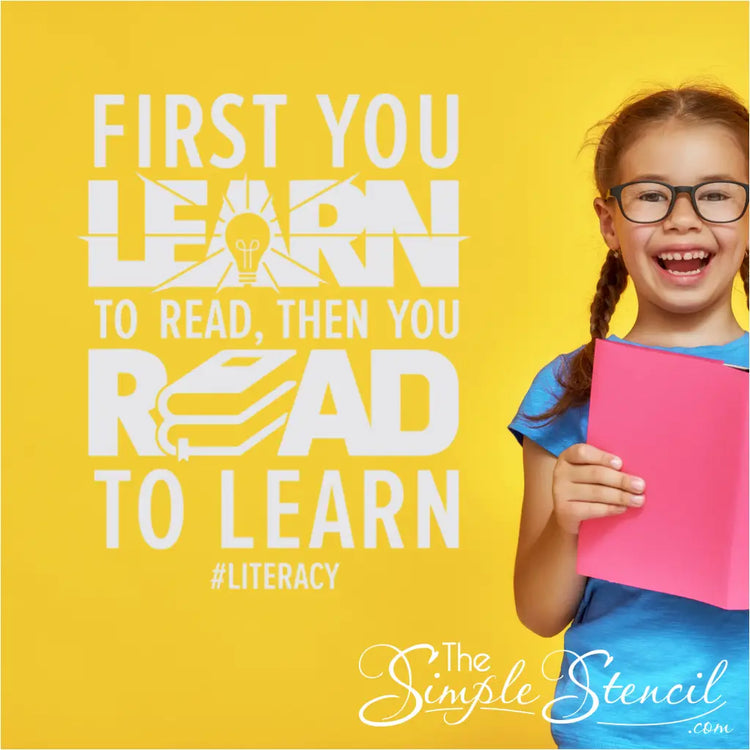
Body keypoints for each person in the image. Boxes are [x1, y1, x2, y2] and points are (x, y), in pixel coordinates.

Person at [508, 84, 749, 749]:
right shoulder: (567, 388)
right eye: (651, 195)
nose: (683, 219)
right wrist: (567, 522)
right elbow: (537, 611)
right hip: (617, 728)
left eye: (717, 194)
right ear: (610, 224)